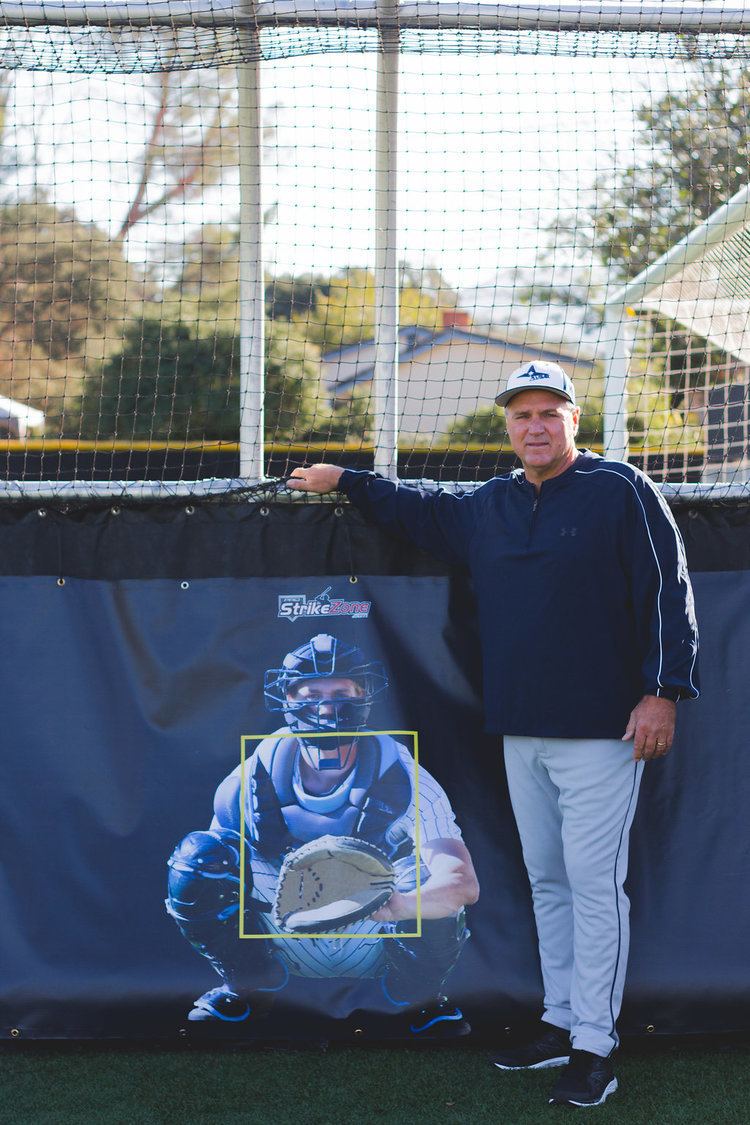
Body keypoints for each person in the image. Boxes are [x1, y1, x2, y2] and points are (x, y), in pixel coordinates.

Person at [288, 360, 699, 1107]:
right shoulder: (490, 505)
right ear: (507, 425)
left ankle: (596, 1048)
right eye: (522, 415)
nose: (535, 426)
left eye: (550, 412)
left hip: (606, 729)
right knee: (546, 877)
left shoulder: (621, 490)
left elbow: (669, 589)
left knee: (594, 885)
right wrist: (345, 479)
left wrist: (662, 692)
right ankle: (560, 1020)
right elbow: (415, 508)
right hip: (520, 727)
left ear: (576, 420)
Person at [166, 631, 479, 1036]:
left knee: (422, 877)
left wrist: (398, 906)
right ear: (288, 702)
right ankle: (248, 984)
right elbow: (213, 872)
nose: (327, 708)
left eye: (340, 692)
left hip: (374, 927)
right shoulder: (253, 775)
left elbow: (462, 883)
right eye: (311, 694)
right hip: (284, 924)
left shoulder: (403, 774)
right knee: (198, 860)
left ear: (363, 698)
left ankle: (419, 995)